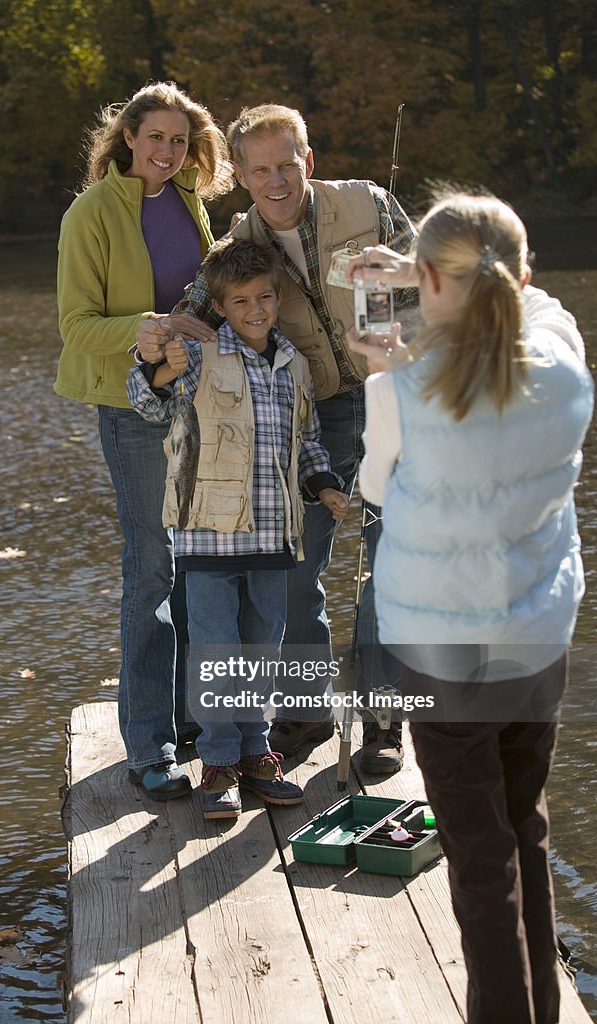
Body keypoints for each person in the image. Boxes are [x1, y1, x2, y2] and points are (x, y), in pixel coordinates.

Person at [347, 192, 593, 1024]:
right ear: (518, 274)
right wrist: (431, 287)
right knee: (524, 825)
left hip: (442, 653)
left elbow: (373, 488)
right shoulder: (565, 365)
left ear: (428, 281)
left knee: (477, 858)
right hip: (536, 641)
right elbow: (538, 304)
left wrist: (385, 364)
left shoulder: (404, 389)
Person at [135, 103, 417, 767]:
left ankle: (381, 725)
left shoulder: (369, 206)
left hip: (396, 400)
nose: (276, 181)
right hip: (311, 421)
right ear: (237, 175)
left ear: (307, 162)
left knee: (395, 573)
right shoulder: (237, 253)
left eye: (286, 164)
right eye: (258, 169)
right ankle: (305, 712)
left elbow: (439, 288)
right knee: (293, 577)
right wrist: (155, 346)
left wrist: (405, 278)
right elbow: (183, 327)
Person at [127, 237, 349, 819]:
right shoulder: (198, 354)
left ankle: (256, 753)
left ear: (278, 299)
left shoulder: (294, 363)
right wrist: (159, 371)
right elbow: (146, 404)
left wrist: (324, 484)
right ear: (221, 306)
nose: (256, 309)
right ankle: (219, 762)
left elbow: (309, 441)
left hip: (275, 537)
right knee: (216, 650)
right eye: (242, 300)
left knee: (262, 648)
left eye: (265, 297)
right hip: (208, 536)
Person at [54, 81, 233, 799]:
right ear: (128, 136)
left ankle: (195, 723)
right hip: (130, 409)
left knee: (197, 564)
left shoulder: (191, 203)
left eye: (179, 141)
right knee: (151, 569)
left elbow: (199, 298)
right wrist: (147, 326)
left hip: (194, 400)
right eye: (154, 137)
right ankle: (149, 747)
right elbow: (76, 327)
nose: (166, 150)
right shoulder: (90, 213)